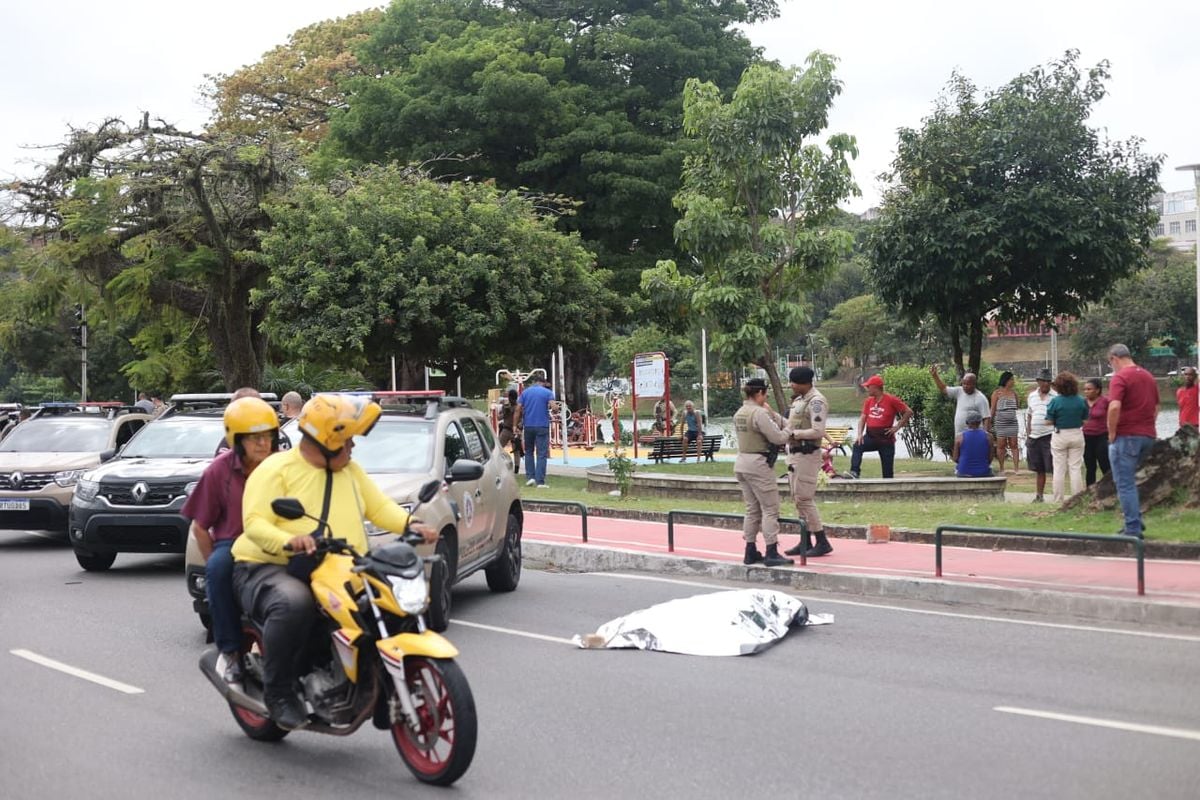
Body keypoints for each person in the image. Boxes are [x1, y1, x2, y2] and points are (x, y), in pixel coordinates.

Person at [233, 394, 438, 730]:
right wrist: (289, 541)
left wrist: (410, 525)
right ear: (328, 443)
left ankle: (383, 686)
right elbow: (254, 523)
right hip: (269, 566)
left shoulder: (351, 471)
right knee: (293, 603)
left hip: (336, 564)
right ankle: (279, 691)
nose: (353, 446)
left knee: (387, 603)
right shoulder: (275, 469)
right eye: (347, 440)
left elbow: (378, 507)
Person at [181, 397, 280, 685]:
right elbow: (200, 527)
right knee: (218, 570)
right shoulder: (218, 470)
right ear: (237, 440)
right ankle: (230, 652)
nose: (263, 444)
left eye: (268, 437)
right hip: (234, 542)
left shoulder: (282, 466)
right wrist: (212, 557)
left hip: (279, 539)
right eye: (254, 438)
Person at [732, 378, 793, 567]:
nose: (766, 397)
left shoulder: (740, 412)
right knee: (770, 509)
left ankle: (750, 550)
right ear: (759, 393)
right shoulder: (758, 413)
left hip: (742, 462)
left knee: (752, 510)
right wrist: (790, 428)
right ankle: (771, 551)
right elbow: (777, 438)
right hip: (758, 464)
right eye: (766, 394)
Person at [1106, 344, 1159, 539]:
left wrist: (1112, 433)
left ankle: (1132, 527)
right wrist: (1148, 426)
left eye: (1110, 362)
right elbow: (1156, 407)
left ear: (1114, 358)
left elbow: (1114, 407)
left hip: (1126, 436)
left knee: (1124, 482)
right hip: (1147, 435)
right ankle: (1135, 518)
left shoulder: (1120, 377)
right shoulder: (1147, 376)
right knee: (1130, 480)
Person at [783, 367, 834, 558]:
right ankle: (805, 539)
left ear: (803, 383)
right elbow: (790, 424)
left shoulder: (816, 401)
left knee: (804, 498)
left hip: (807, 454)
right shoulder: (799, 401)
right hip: (795, 455)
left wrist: (794, 434)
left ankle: (822, 541)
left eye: (793, 382)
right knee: (797, 498)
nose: (791, 385)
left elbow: (818, 431)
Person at [848, 374, 913, 479]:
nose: (867, 388)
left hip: (886, 439)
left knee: (887, 475)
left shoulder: (891, 400)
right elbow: (863, 418)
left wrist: (897, 427)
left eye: (869, 386)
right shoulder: (869, 401)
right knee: (857, 445)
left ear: (875, 387)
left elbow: (908, 412)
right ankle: (854, 472)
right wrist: (860, 434)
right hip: (871, 436)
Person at [1044, 371, 1087, 503]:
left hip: (1060, 434)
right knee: (1075, 467)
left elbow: (1048, 421)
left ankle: (1058, 499)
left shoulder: (1055, 401)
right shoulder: (1081, 401)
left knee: (1059, 468)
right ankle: (1077, 499)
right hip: (1076, 433)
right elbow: (1086, 420)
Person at [1024, 368, 1057, 503]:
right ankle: (1039, 495)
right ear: (1038, 382)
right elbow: (1029, 415)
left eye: (1048, 381)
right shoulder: (1032, 396)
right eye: (1043, 381)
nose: (1045, 384)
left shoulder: (1055, 396)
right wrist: (1028, 434)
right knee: (1039, 469)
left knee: (1054, 467)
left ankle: (1058, 496)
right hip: (1034, 436)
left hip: (1049, 435)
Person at [515, 375, 553, 488]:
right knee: (541, 454)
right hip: (542, 426)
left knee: (529, 452)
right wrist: (554, 407)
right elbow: (554, 406)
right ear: (543, 383)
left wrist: (514, 425)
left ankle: (530, 477)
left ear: (534, 382)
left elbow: (518, 409)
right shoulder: (547, 393)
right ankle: (540, 481)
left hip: (529, 426)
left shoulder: (525, 393)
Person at [930, 365, 991, 435]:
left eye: (967, 384)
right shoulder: (959, 391)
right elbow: (944, 389)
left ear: (974, 384)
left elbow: (987, 418)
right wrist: (935, 376)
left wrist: (985, 436)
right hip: (959, 435)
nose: (965, 386)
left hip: (974, 436)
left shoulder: (980, 398)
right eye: (963, 383)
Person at [989, 371, 1021, 474]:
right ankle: (1002, 468)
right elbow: (993, 409)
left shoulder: (1014, 393)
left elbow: (1017, 407)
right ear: (1006, 380)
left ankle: (1016, 468)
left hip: (1012, 423)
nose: (1013, 381)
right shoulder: (996, 393)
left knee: (1014, 444)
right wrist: (989, 422)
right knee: (1001, 445)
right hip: (1001, 423)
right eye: (1011, 379)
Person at [1081, 378, 1111, 487]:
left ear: (1097, 390)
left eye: (1089, 389)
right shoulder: (1082, 402)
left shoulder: (1105, 401)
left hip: (1101, 437)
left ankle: (1110, 489)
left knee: (1105, 465)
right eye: (1085, 389)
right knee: (1090, 467)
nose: (1086, 391)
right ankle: (1090, 492)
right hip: (1086, 437)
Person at [952, 410, 994, 477]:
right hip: (983, 471)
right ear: (980, 422)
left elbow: (955, 458)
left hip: (964, 471)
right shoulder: (989, 437)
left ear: (967, 422)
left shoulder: (959, 437)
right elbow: (990, 458)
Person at [497, 388, 524, 474]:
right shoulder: (506, 407)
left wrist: (520, 425)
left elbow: (524, 417)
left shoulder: (519, 407)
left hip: (515, 431)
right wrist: (505, 412)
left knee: (516, 450)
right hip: (506, 429)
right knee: (498, 448)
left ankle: (516, 470)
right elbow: (499, 417)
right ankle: (498, 466)